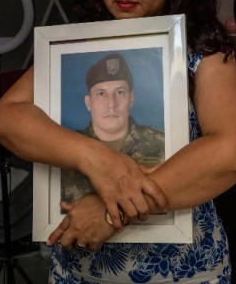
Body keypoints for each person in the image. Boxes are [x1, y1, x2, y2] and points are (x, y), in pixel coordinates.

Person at [0, 0, 236, 283]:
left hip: (182, 272)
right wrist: (95, 158)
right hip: (79, 271)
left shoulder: (205, 49)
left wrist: (111, 211)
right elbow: (6, 120)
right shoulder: (77, 45)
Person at [61, 52, 165, 203]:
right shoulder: (65, 151)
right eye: (101, 93)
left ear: (131, 99)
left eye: (120, 92)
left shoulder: (162, 142)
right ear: (88, 103)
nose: (111, 104)